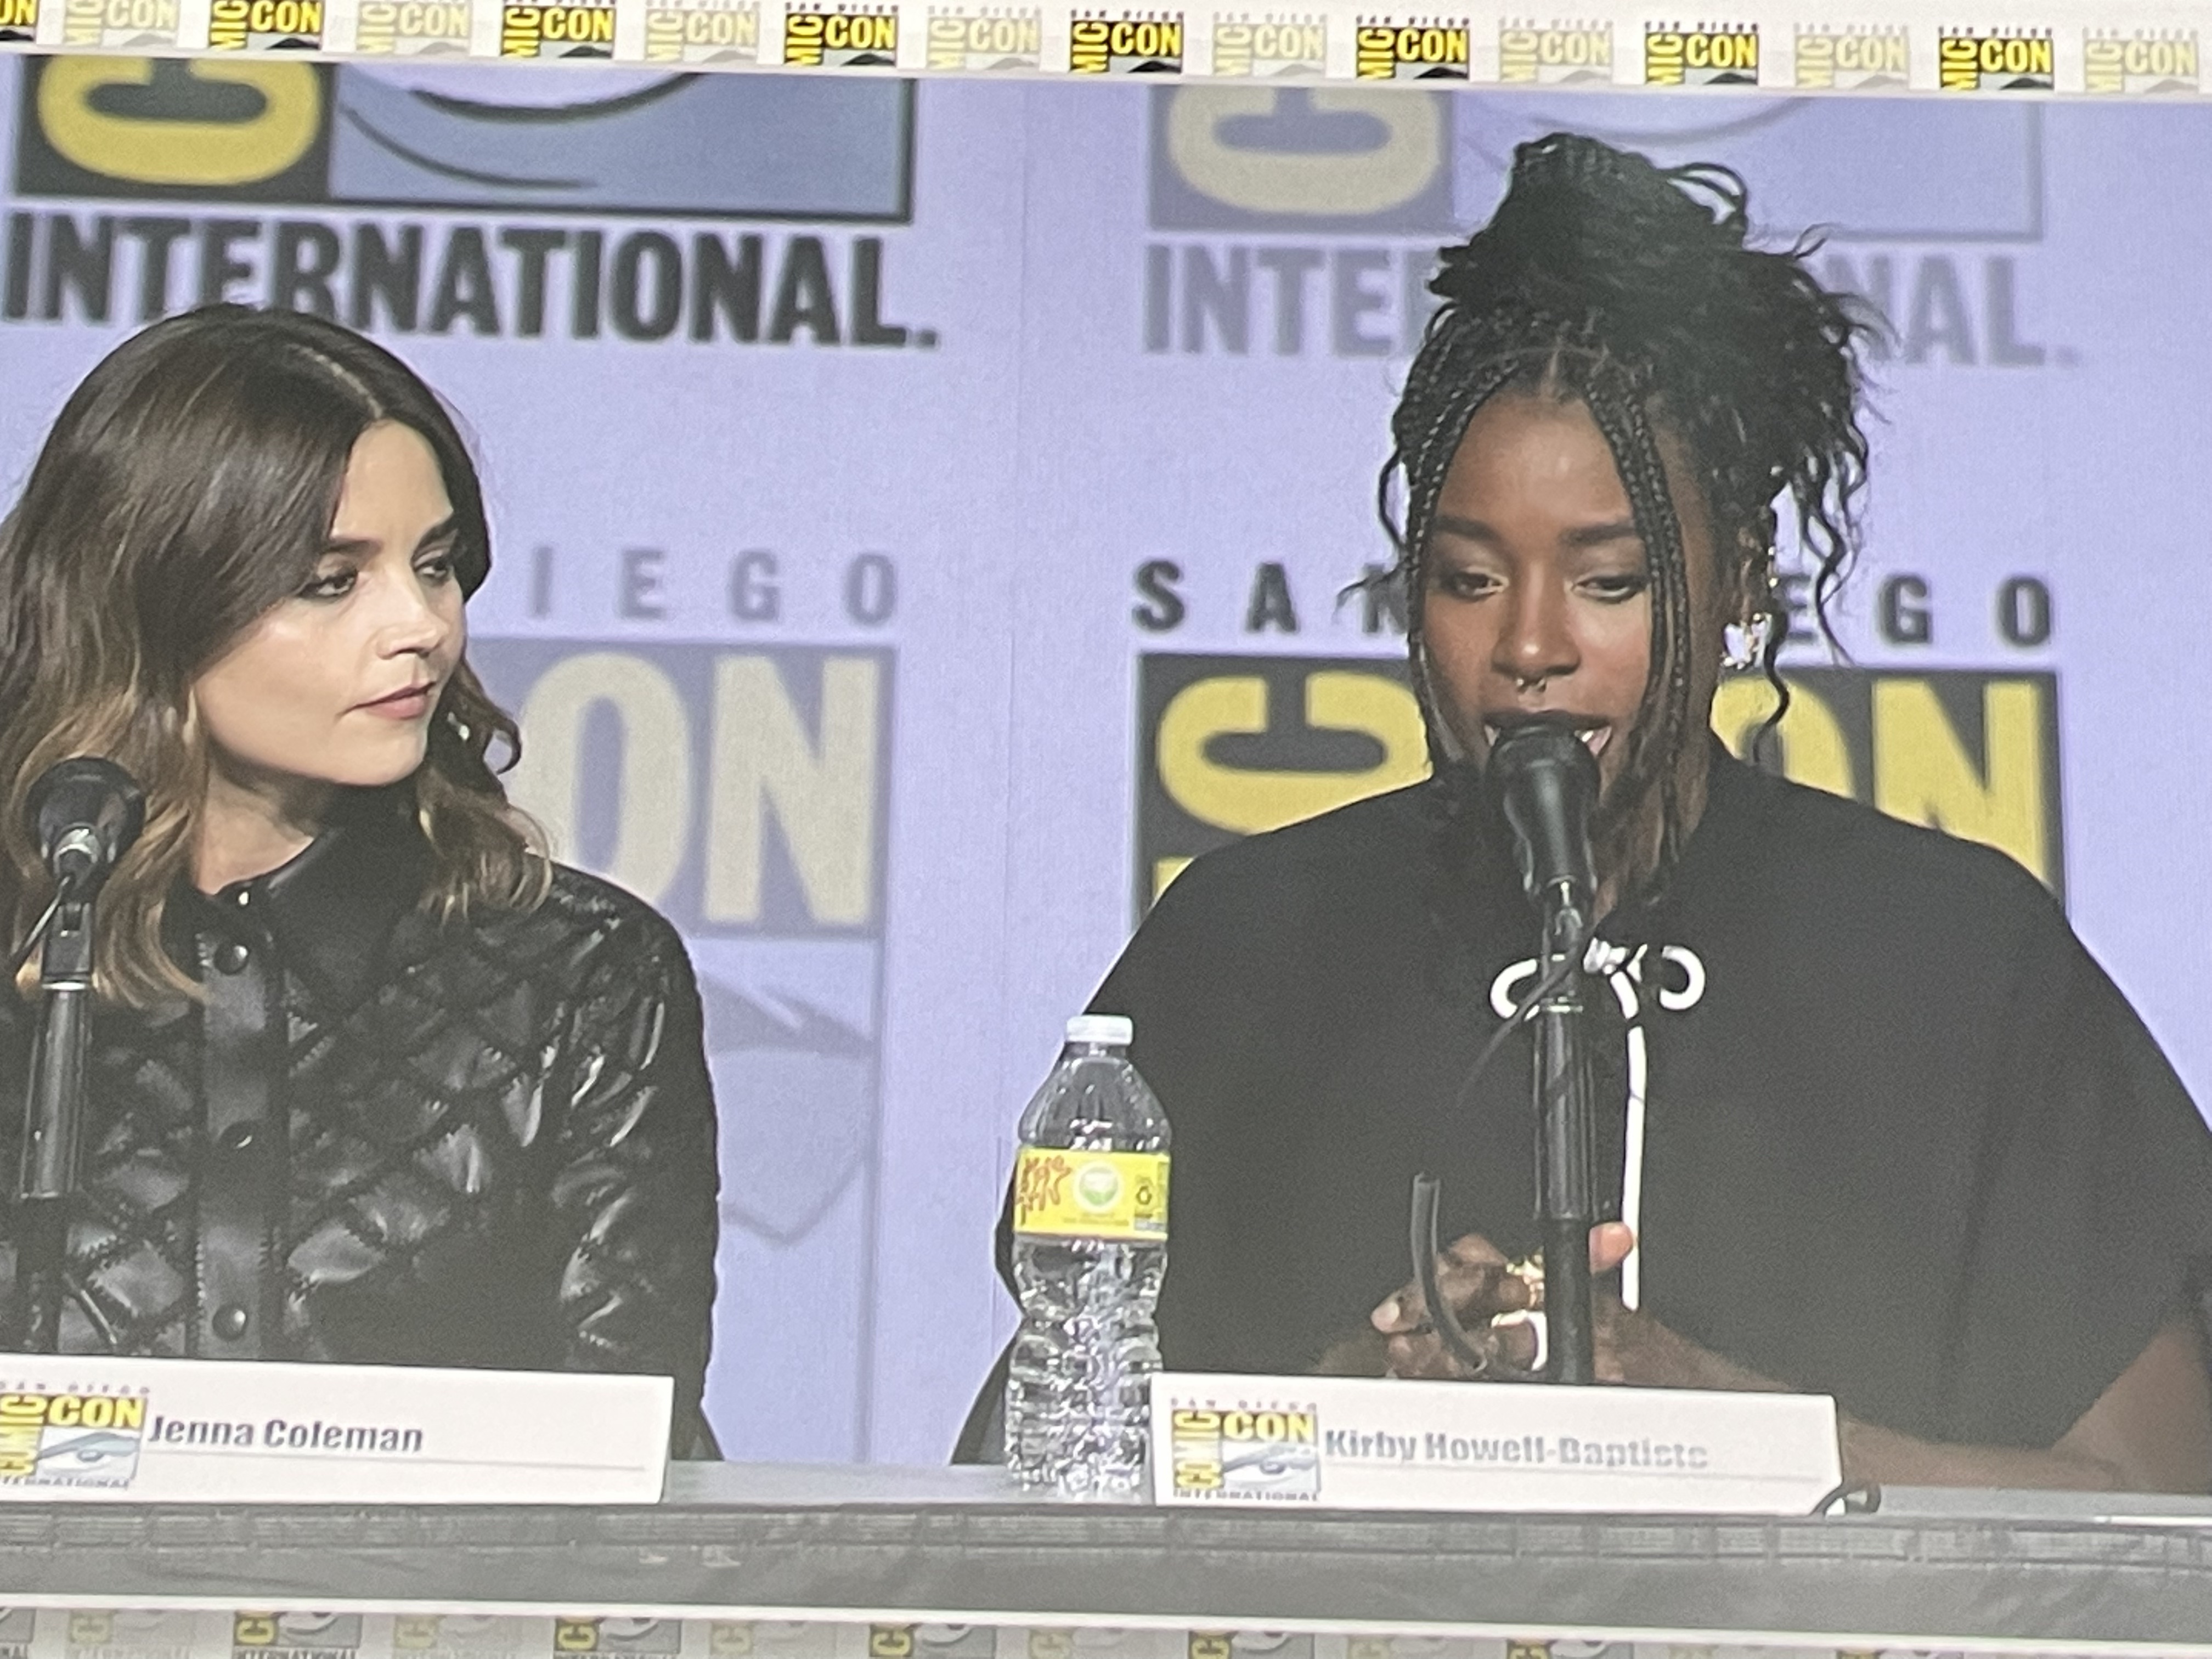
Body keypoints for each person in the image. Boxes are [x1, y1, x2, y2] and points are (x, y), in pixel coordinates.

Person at [968, 134, 2212, 1490]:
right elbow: (1043, 1471)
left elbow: (2163, 1519)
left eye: (1610, 583)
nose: (1530, 646)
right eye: (1466, 578)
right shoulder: (1250, 940)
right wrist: (1352, 1403)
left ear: (1740, 591)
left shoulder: (1952, 958)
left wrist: (1718, 1428)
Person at [0, 306, 722, 1456]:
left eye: (434, 567)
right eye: (332, 582)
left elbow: (621, 1450)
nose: (421, 628)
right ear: (149, 602)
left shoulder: (581, 971)